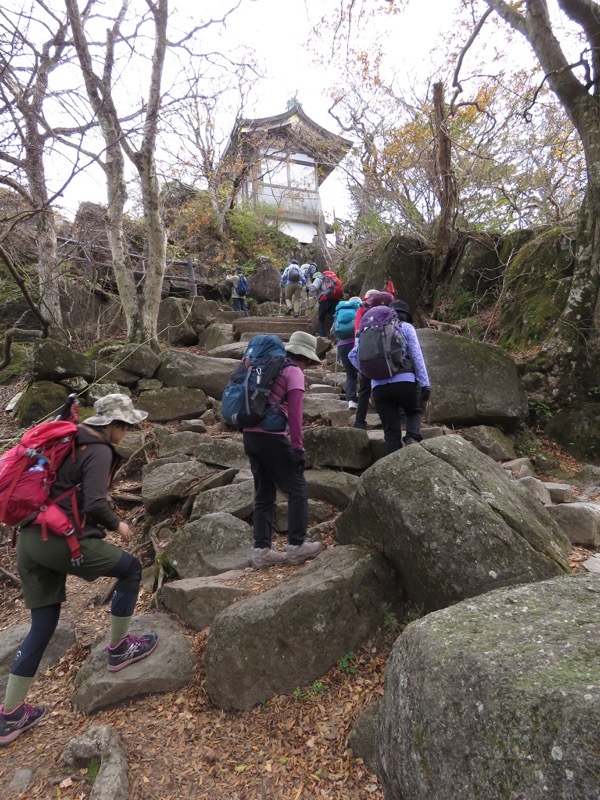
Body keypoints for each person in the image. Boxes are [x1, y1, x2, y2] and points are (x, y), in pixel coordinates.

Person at [0, 394, 158, 746]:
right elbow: (94, 502)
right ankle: (119, 649)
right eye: (126, 425)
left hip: (29, 539)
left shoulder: (69, 437)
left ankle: (10, 715)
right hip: (59, 539)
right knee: (130, 570)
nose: (127, 431)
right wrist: (118, 525)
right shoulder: (98, 448)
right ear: (113, 425)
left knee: (42, 625)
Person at [242, 331, 325, 569]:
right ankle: (297, 545)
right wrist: (298, 448)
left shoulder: (263, 366)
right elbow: (296, 415)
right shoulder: (293, 372)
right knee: (298, 488)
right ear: (304, 358)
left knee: (264, 493)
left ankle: (261, 550)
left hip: (250, 436)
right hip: (272, 438)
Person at [364, 300, 431, 453]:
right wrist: (424, 384)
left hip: (379, 387)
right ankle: (412, 438)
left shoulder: (372, 329)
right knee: (413, 411)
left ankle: (393, 460)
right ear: (406, 316)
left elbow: (353, 354)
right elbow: (416, 355)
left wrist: (370, 373)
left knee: (390, 432)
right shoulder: (406, 327)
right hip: (405, 381)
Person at [333, 296, 362, 410]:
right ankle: (366, 396)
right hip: (355, 344)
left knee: (350, 374)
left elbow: (334, 330)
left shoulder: (339, 311)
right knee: (363, 372)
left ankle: (351, 400)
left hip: (342, 345)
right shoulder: (359, 310)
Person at [310, 269, 343, 336]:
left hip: (324, 300)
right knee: (334, 318)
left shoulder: (319, 278)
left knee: (321, 319)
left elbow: (314, 288)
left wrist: (309, 288)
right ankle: (337, 335)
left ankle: (323, 336)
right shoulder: (334, 279)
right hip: (335, 300)